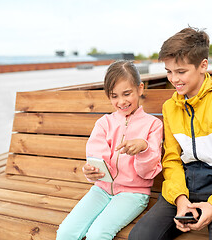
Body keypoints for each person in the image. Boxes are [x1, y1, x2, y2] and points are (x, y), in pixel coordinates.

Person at [128, 27, 212, 240]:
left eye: (181, 72)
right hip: (185, 186)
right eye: (169, 71)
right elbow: (171, 159)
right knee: (140, 237)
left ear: (202, 65)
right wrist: (179, 198)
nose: (174, 79)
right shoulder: (170, 107)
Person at [56, 60, 163, 240]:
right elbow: (96, 159)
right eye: (114, 96)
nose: (121, 102)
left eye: (127, 94)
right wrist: (91, 171)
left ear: (140, 89)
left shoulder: (153, 125)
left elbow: (147, 173)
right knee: (65, 232)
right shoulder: (104, 123)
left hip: (133, 194)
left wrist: (143, 148)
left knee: (97, 235)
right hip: (101, 190)